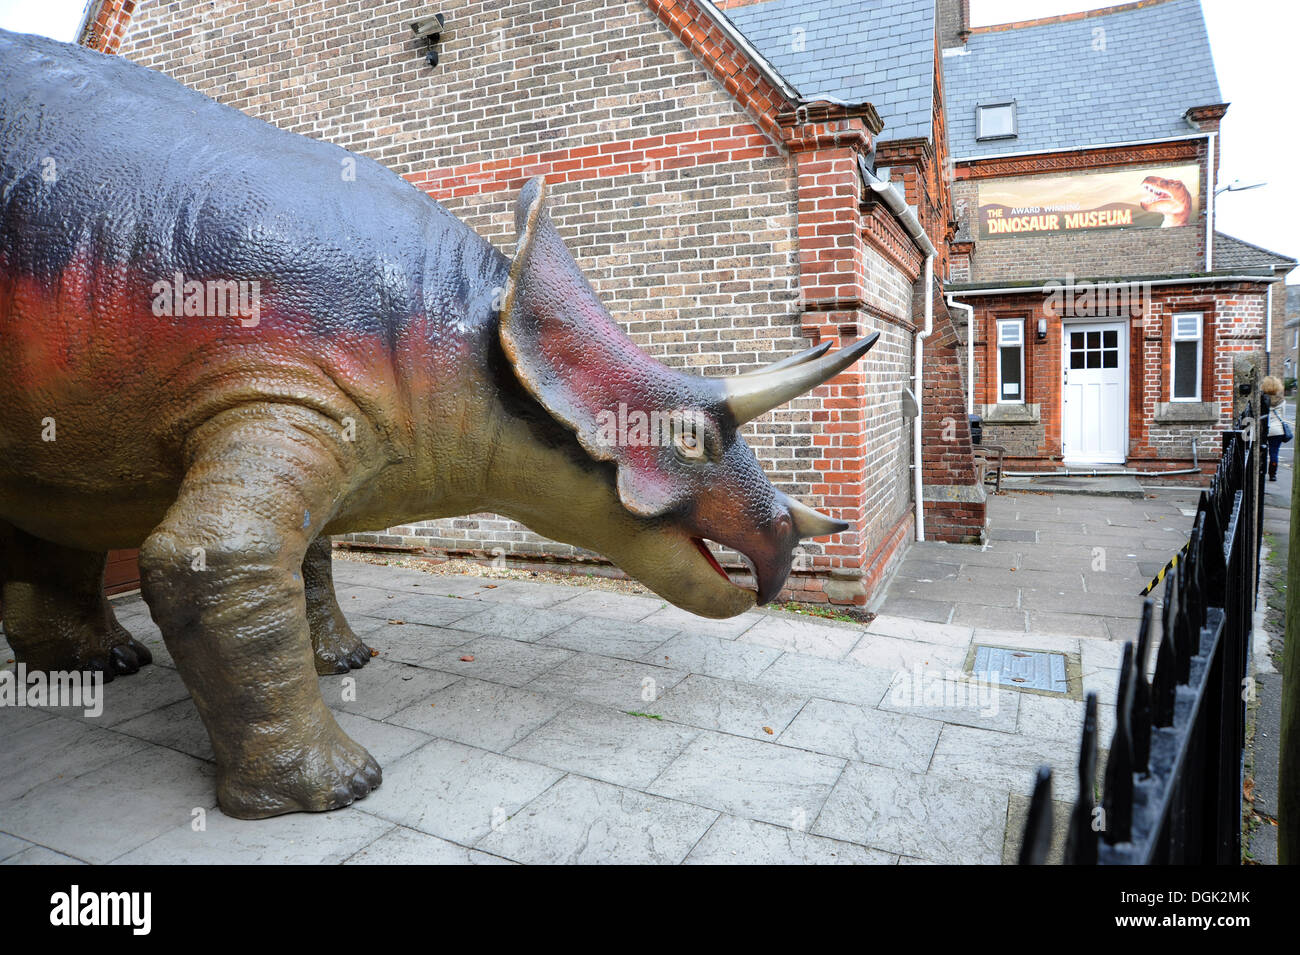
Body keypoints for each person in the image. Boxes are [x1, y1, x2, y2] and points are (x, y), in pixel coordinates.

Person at [1261, 375, 1289, 482]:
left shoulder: (1263, 399)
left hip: (1265, 429)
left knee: (1262, 451)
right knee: (1274, 453)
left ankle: (1261, 471)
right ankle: (1273, 475)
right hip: (1277, 430)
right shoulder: (1282, 401)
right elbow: (1283, 416)